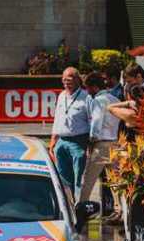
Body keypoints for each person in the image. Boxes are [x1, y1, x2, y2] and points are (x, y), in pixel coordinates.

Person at [79, 72, 120, 215]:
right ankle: (120, 211)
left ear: (95, 87)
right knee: (116, 183)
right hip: (114, 143)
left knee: (88, 181)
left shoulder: (98, 100)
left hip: (100, 145)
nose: (87, 91)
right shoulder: (115, 99)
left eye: (88, 88)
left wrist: (91, 141)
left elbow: (96, 122)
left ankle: (81, 209)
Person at [49, 67, 91, 199]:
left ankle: (79, 204)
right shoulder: (62, 96)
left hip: (78, 142)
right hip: (61, 141)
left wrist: (90, 144)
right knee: (63, 178)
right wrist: (53, 140)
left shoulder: (86, 97)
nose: (66, 82)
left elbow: (92, 122)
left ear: (78, 80)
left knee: (79, 178)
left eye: (69, 79)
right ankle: (68, 203)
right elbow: (57, 118)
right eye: (64, 79)